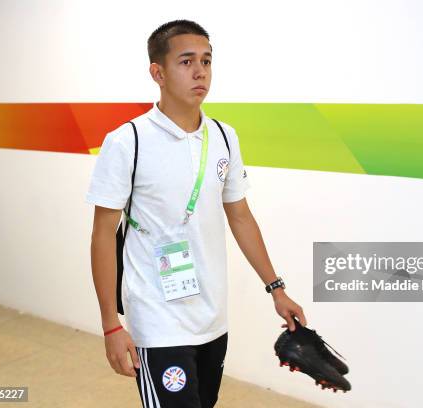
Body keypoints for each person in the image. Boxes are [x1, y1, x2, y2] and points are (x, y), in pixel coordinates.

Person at [86, 19, 306, 408]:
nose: (200, 71)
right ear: (158, 72)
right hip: (156, 320)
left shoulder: (224, 136)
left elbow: (240, 216)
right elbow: (103, 234)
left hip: (212, 318)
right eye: (186, 61)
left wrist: (277, 289)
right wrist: (110, 325)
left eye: (206, 60)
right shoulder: (127, 142)